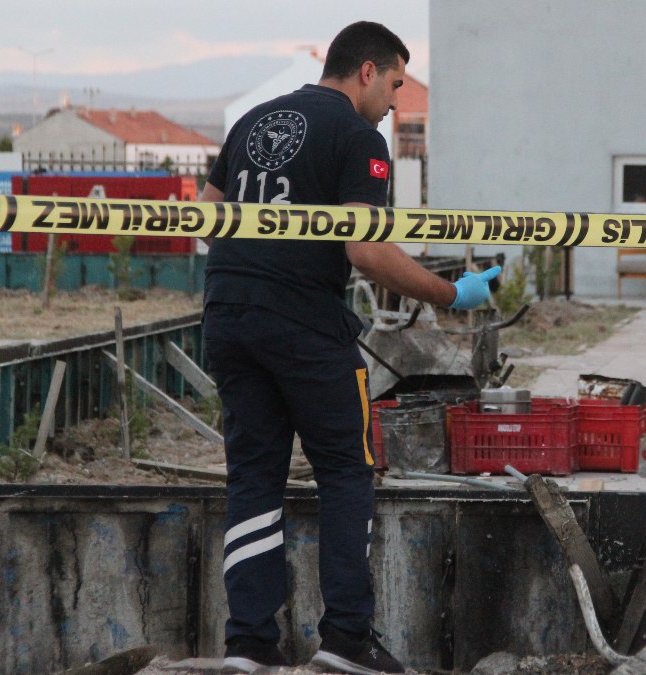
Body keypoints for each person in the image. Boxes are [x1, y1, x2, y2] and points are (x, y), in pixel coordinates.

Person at [199, 20, 501, 675]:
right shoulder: (357, 136)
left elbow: (206, 210)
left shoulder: (253, 121)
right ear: (367, 71)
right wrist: (452, 295)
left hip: (227, 314)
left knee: (254, 476)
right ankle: (344, 642)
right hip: (303, 324)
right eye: (394, 84)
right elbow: (364, 249)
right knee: (346, 470)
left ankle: (248, 646)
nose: (395, 103)